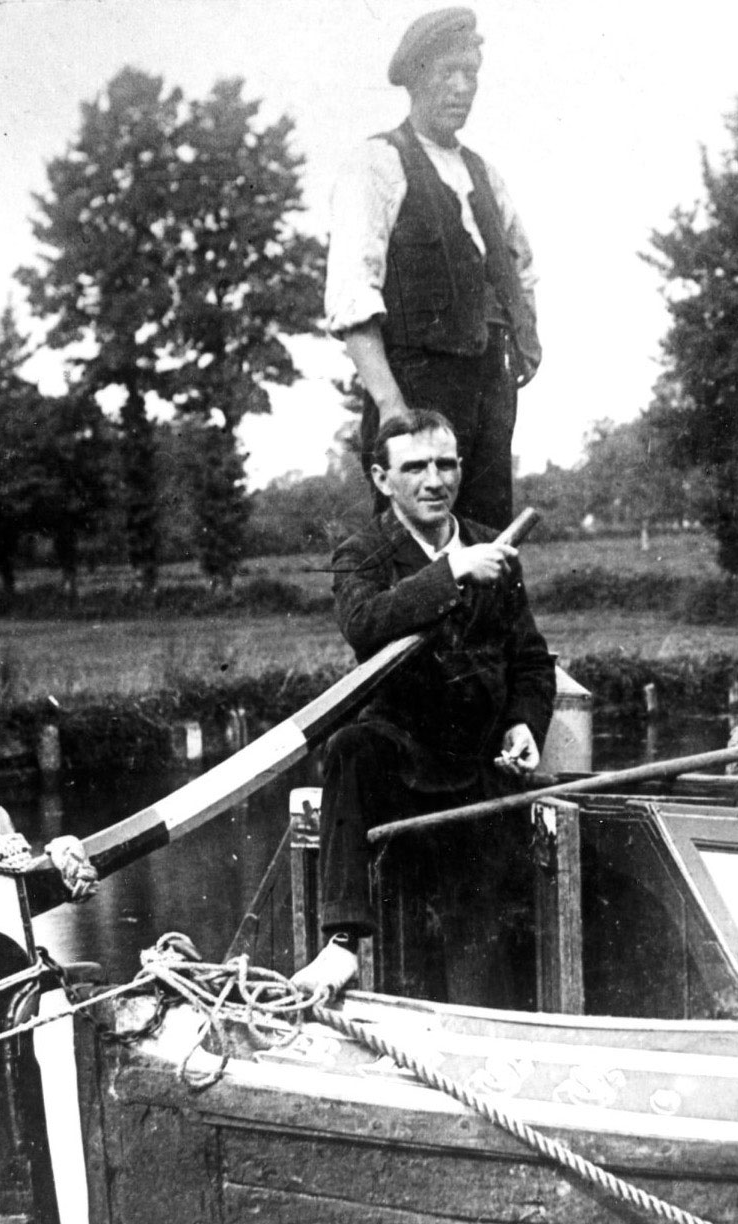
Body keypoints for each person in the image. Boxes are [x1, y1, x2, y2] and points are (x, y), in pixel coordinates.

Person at [294, 409, 555, 1005]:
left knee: (484, 956)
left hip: (480, 770)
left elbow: (532, 661)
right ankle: (341, 944)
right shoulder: (362, 552)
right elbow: (365, 624)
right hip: (403, 767)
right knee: (350, 747)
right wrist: (451, 571)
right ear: (383, 480)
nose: (434, 480)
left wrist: (523, 723)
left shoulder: (497, 548)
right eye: (415, 467)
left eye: (445, 464)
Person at [325, 6, 540, 530]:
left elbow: (520, 270)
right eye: (449, 73)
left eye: (471, 75)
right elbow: (352, 296)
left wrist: (525, 340)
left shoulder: (486, 175)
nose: (462, 87)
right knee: (417, 548)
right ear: (416, 80)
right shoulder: (376, 164)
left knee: (489, 538)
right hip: (416, 389)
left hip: (489, 388)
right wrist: (392, 407)